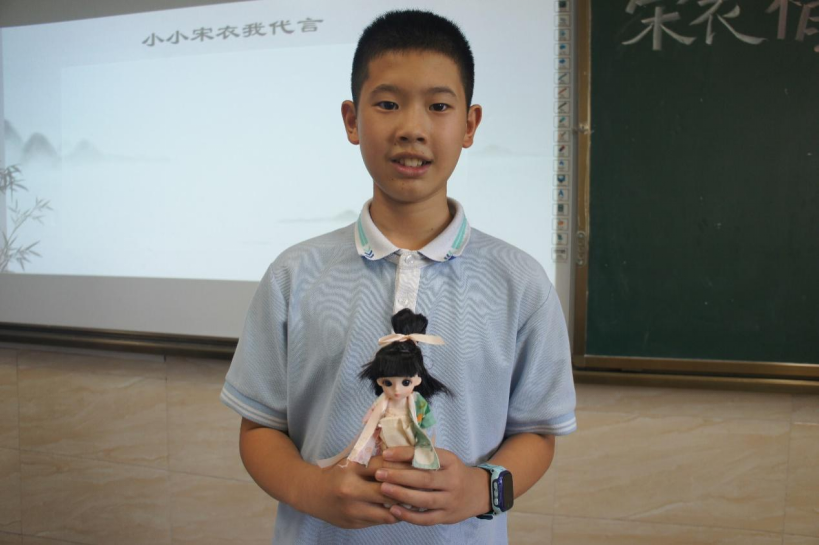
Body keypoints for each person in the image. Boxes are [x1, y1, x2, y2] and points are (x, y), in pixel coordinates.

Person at [220, 9, 576, 544]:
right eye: (387, 104)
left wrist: (481, 490)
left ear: (470, 125)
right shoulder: (294, 274)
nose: (412, 128)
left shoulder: (520, 282)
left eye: (438, 106)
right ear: (352, 120)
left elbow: (538, 433)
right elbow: (259, 427)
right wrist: (313, 490)